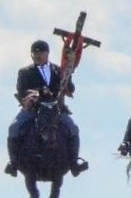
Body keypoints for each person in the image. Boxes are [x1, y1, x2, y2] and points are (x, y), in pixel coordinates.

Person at [6, 38, 87, 177]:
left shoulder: (58, 70)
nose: (38, 56)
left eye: (41, 53)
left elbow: (70, 89)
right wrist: (39, 91)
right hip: (33, 109)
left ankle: (74, 163)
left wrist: (69, 75)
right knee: (13, 128)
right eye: (35, 53)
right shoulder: (25, 72)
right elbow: (21, 90)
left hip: (56, 109)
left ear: (47, 54)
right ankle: (14, 163)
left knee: (73, 128)